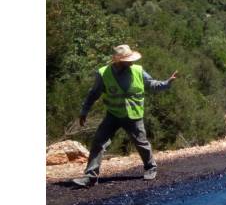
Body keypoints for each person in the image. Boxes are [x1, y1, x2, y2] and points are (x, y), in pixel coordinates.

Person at [71, 45, 178, 188]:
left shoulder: (138, 70)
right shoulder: (103, 73)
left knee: (141, 142)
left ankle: (150, 167)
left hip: (133, 115)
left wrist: (166, 83)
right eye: (128, 60)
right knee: (98, 142)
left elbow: (150, 83)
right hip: (113, 114)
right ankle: (90, 177)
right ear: (118, 60)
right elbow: (93, 93)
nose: (131, 62)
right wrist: (84, 111)